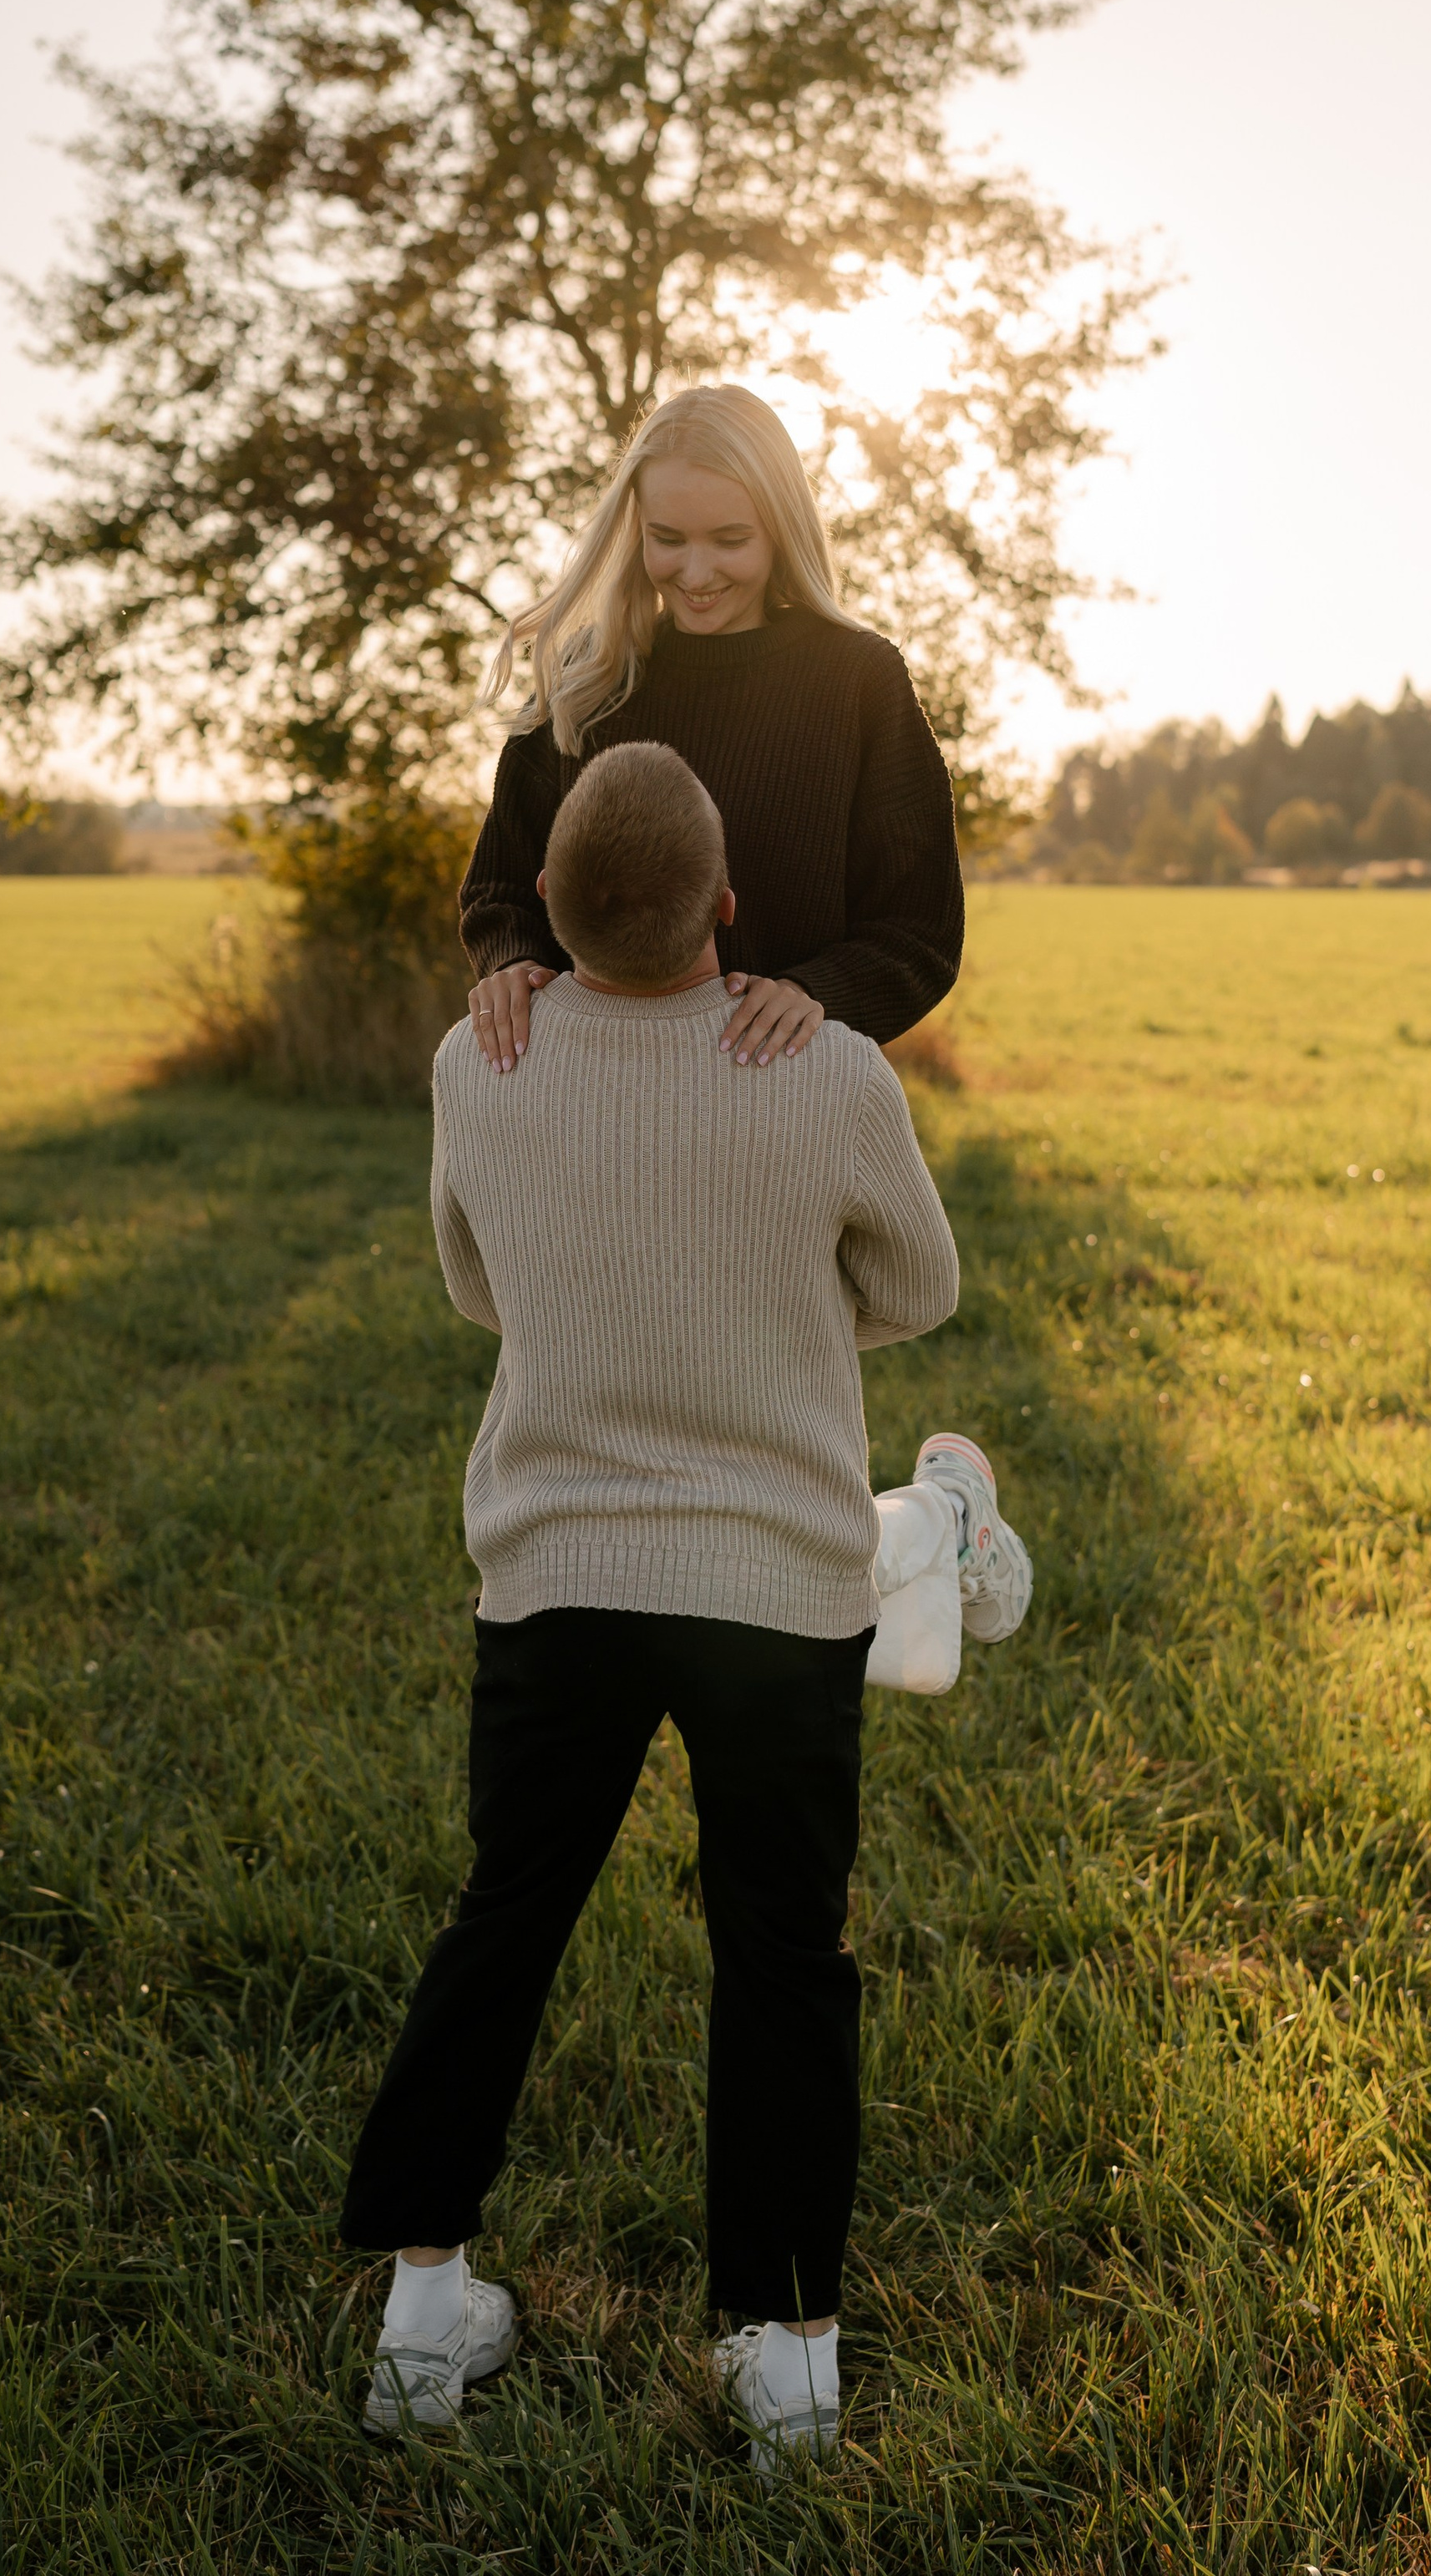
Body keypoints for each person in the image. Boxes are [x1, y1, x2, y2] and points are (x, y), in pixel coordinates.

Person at [340, 743, 1031, 2464]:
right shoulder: (829, 1075)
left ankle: (424, 2315)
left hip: (556, 1571)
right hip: (776, 1591)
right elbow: (919, 1285)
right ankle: (785, 2352)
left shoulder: (472, 1061)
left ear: (541, 918)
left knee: (507, 1917)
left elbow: (469, 1279)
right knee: (782, 1951)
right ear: (730, 906)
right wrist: (768, 1323)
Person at [459, 382, 964, 1078]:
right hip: (594, 1096)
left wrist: (816, 994)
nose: (695, 574)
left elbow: (920, 931)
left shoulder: (858, 681)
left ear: (781, 528)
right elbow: (500, 891)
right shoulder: (586, 679)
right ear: (634, 528)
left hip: (783, 1102)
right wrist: (511, 963)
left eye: (731, 540)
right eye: (667, 539)